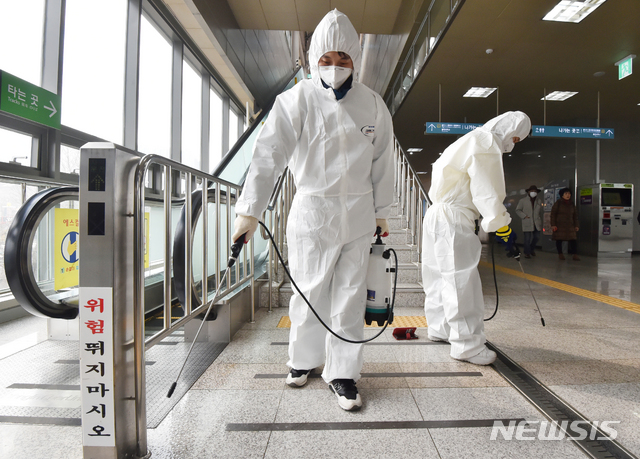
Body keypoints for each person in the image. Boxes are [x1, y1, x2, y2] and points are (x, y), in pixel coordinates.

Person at [231, 9, 395, 411]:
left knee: (351, 296)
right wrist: (249, 211)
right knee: (308, 292)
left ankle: (343, 374)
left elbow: (383, 162)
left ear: (355, 59)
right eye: (326, 59)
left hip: (357, 212)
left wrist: (382, 212)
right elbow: (268, 155)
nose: (335, 67)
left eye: (343, 59)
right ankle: (303, 361)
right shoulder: (295, 100)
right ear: (313, 60)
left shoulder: (373, 105)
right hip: (311, 211)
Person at [421, 111, 531, 365]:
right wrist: (501, 223)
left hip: (436, 213)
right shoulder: (485, 142)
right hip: (454, 216)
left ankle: (440, 328)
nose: (512, 145)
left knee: (437, 275)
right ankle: (467, 346)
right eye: (515, 138)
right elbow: (487, 189)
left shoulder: (466, 140)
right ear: (508, 129)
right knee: (461, 280)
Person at [550, 187, 580, 261]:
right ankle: (560, 254)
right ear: (562, 195)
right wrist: (553, 224)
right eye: (566, 193)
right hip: (560, 225)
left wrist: (576, 225)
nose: (568, 195)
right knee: (559, 239)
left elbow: (575, 215)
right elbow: (553, 214)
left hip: (570, 225)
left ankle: (575, 254)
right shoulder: (558, 203)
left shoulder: (572, 204)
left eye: (569, 193)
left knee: (573, 240)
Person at [515, 185, 543, 258]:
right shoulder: (523, 201)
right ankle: (527, 252)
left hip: (536, 222)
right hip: (527, 221)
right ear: (528, 192)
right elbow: (518, 210)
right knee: (527, 238)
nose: (533, 192)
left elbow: (539, 211)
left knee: (537, 237)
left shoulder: (538, 201)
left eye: (535, 191)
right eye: (532, 191)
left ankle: (531, 249)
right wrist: (524, 216)